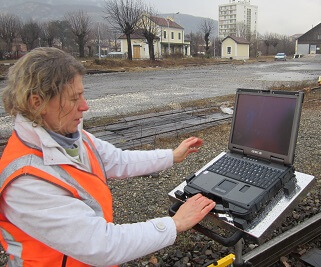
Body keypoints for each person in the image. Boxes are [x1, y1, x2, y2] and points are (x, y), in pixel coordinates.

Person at [0, 47, 216, 267]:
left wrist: (171, 156)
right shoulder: (26, 180)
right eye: (74, 99)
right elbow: (102, 245)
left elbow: (117, 160)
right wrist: (174, 224)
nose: (85, 106)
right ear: (38, 103)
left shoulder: (68, 135)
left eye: (82, 94)